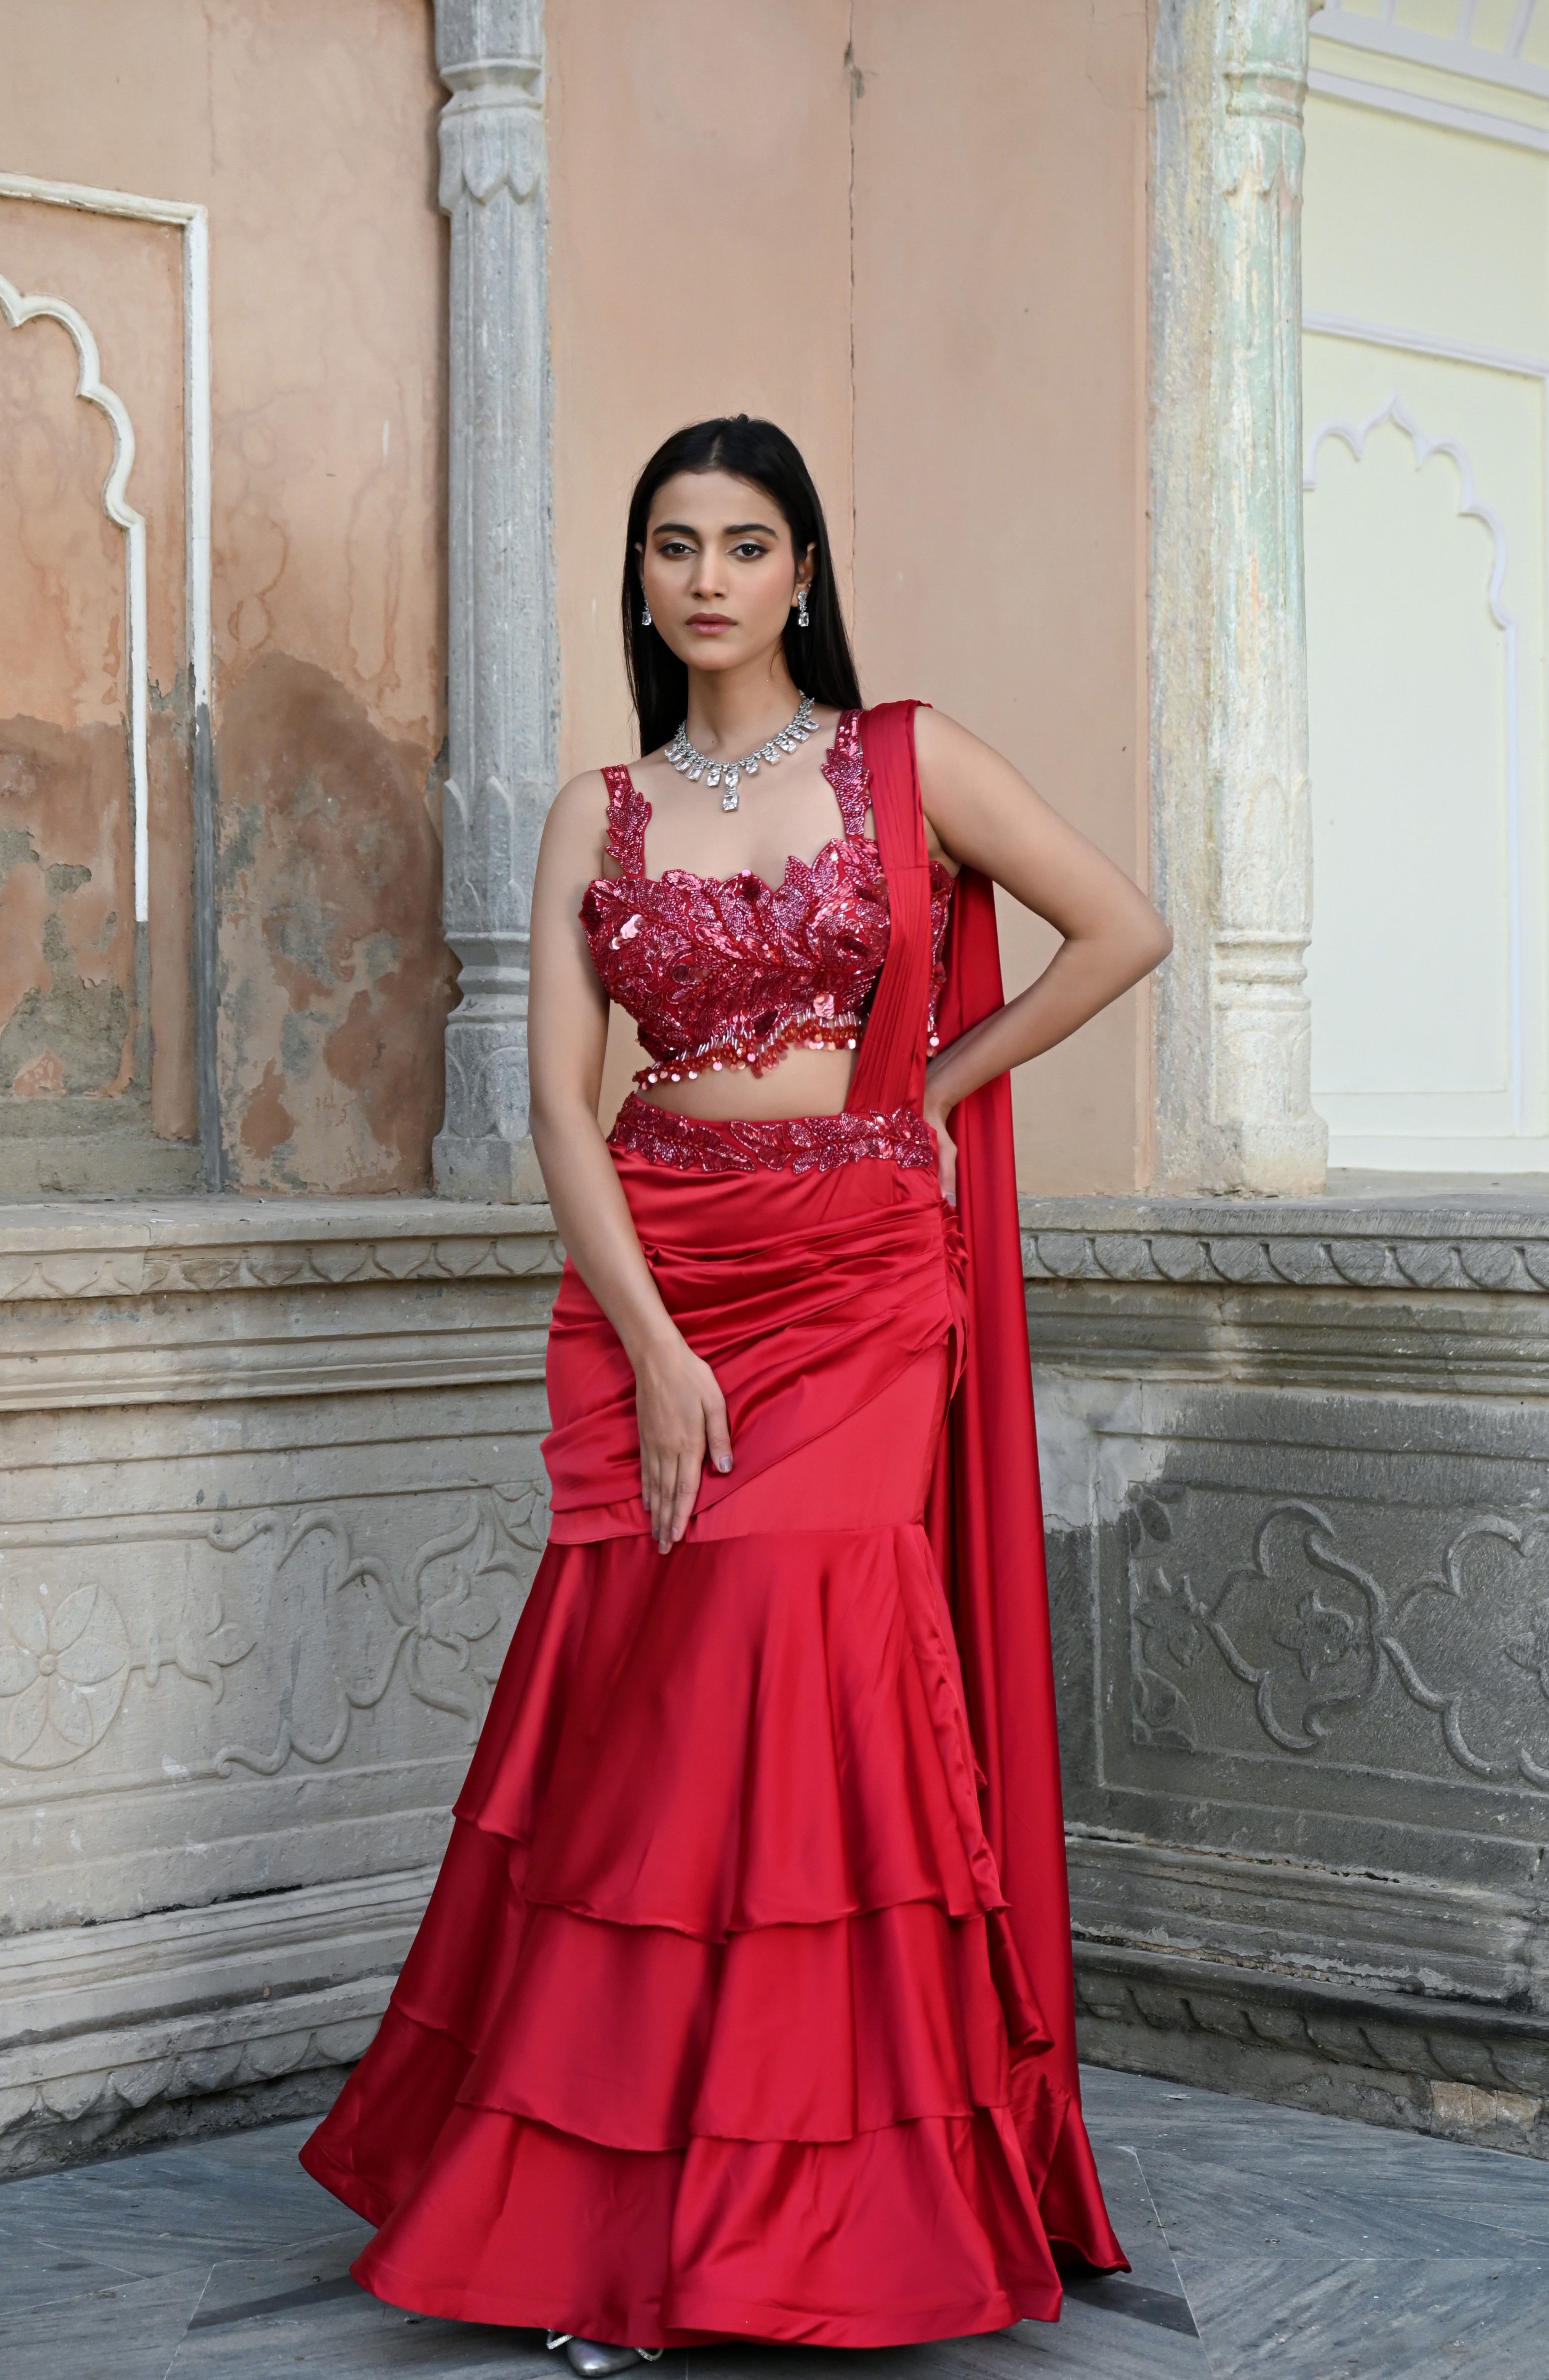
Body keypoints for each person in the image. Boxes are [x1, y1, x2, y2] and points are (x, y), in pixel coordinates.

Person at [302, 415, 1172, 2371]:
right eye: (675, 543)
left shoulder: (904, 757)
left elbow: (1123, 927)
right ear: (641, 579)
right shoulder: (595, 811)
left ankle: (811, 2210)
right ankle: (612, 2222)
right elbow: (553, 1105)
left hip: (862, 1284)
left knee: (790, 1670)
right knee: (651, 1707)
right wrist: (658, 1348)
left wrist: (920, 1099)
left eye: (747, 542)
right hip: (664, 1273)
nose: (707, 575)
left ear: (802, 574)